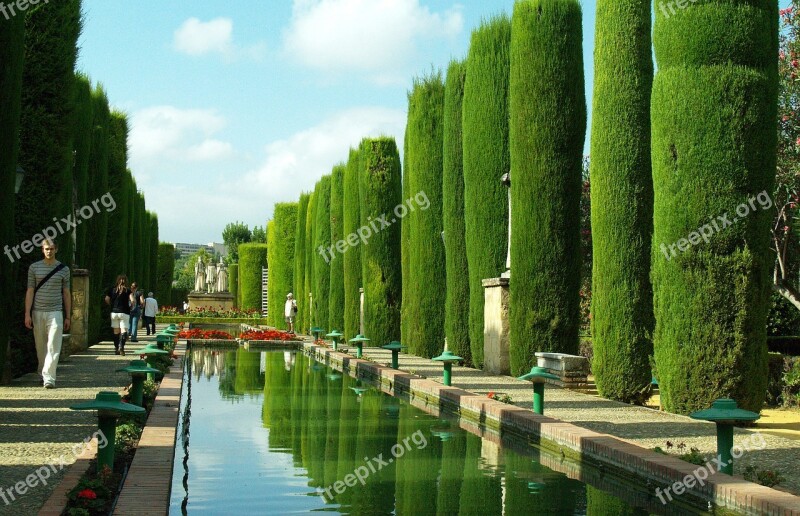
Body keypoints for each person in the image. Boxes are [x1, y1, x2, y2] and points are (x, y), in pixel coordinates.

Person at [24, 239, 71, 389]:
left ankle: (49, 378)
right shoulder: (34, 267)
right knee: (40, 347)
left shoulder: (64, 269)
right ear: (42, 250)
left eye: (51, 248)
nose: (49, 251)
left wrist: (68, 316)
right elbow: (30, 291)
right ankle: (42, 372)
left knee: (53, 345)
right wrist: (27, 313)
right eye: (46, 249)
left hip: (56, 311)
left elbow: (66, 293)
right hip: (37, 311)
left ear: (56, 249)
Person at [104, 274, 134, 355]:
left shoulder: (112, 289)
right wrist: (130, 306)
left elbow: (106, 299)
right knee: (124, 330)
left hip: (114, 312)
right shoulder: (128, 290)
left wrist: (111, 305)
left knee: (116, 331)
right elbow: (132, 300)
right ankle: (121, 347)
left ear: (117, 281)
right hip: (124, 312)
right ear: (125, 281)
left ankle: (116, 347)